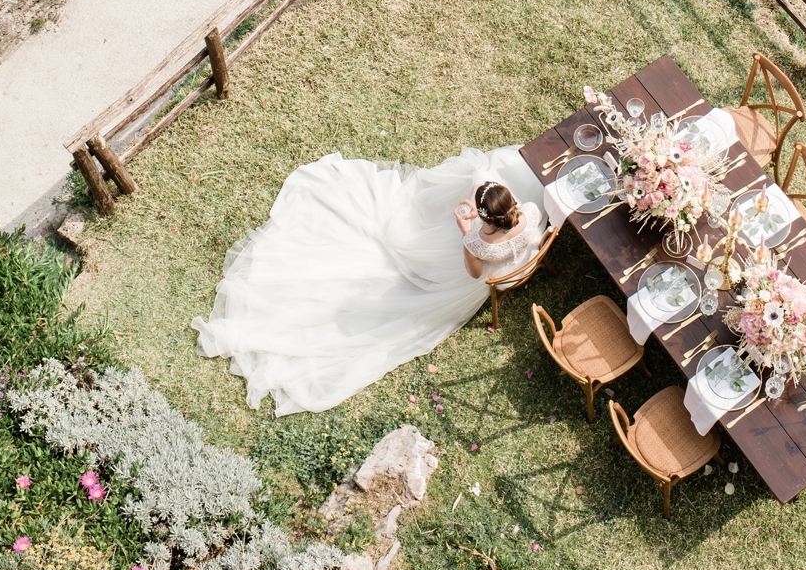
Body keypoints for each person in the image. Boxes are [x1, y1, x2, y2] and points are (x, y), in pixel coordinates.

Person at [192, 144, 544, 415]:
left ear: (485, 214)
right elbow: (529, 233)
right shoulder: (529, 213)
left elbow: (475, 272)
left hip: (493, 275)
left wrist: (465, 229)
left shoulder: (475, 241)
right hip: (524, 260)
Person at [456, 180, 543, 279]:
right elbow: (539, 219)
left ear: (483, 216)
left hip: (506, 276)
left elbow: (475, 274)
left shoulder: (472, 244)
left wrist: (466, 232)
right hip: (533, 256)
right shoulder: (531, 210)